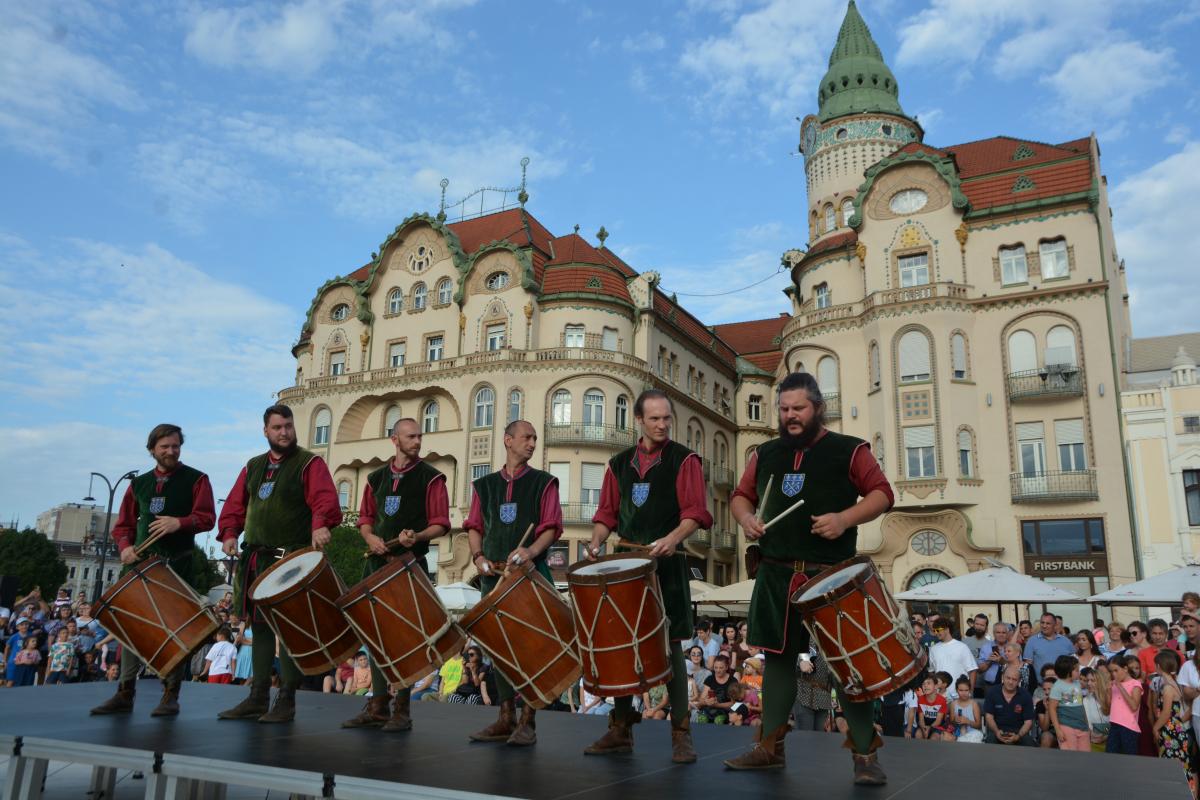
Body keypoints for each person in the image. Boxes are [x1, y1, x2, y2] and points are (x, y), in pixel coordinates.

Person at [724, 372, 893, 783]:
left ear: (817, 407)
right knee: (778, 661)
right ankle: (769, 748)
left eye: (797, 408)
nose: (789, 416)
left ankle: (866, 757)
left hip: (830, 576)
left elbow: (882, 493)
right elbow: (740, 497)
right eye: (783, 409)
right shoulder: (765, 453)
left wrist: (844, 518)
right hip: (776, 573)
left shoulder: (849, 450)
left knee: (846, 666)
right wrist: (747, 520)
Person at [584, 389, 712, 764]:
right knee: (624, 645)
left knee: (671, 646)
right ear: (639, 421)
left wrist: (672, 539)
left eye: (666, 418)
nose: (662, 425)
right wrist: (595, 543)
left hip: (665, 564)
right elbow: (606, 515)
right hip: (624, 561)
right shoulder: (618, 463)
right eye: (655, 418)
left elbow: (696, 511)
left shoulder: (683, 459)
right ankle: (621, 728)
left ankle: (681, 733)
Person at [216, 404, 342, 723]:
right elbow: (234, 505)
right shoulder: (253, 466)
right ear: (266, 431)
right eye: (277, 428)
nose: (284, 432)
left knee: (288, 630)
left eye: (288, 426)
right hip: (256, 557)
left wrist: (320, 524)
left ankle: (286, 699)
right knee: (258, 627)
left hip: (291, 559)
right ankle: (257, 696)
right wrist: (229, 533)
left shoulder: (309, 463)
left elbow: (324, 500)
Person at [88, 424, 217, 715]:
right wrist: (124, 547)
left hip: (176, 566)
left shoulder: (197, 479)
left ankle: (170, 694)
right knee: (131, 628)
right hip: (141, 565)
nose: (171, 451)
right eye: (165, 447)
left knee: (175, 630)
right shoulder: (138, 485)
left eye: (175, 446)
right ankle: (125, 692)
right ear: (152, 451)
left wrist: (179, 523)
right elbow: (123, 526)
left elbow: (207, 518)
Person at [341, 416, 450, 732]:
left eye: (419, 436)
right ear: (395, 440)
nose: (417, 441)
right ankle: (377, 705)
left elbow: (441, 523)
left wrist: (416, 536)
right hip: (376, 565)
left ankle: (401, 708)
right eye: (411, 436)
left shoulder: (432, 478)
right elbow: (365, 518)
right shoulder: (375, 478)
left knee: (406, 639)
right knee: (375, 636)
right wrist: (370, 538)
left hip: (409, 565)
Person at [465, 420, 563, 746]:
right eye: (527, 438)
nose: (532, 443)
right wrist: (477, 557)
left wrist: (531, 550)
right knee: (498, 649)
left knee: (530, 649)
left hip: (529, 575)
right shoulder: (484, 485)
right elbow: (474, 526)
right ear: (508, 440)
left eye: (535, 438)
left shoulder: (544, 482)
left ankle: (529, 721)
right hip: (493, 576)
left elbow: (551, 527)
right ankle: (505, 718)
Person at [1150, 649, 1196, 792]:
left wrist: (1155, 728)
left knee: (1172, 765)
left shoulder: (1168, 687)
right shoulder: (1173, 684)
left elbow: (1165, 713)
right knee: (1181, 765)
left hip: (1170, 730)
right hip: (1176, 727)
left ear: (1158, 665)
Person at [983, 665, 1036, 745]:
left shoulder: (1026, 695)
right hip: (997, 731)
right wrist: (997, 732)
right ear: (1002, 677)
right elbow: (989, 717)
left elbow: (1028, 722)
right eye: (1008, 678)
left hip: (1018, 732)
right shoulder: (992, 692)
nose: (1011, 682)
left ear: (1019, 681)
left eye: (1014, 679)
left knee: (1029, 742)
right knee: (990, 740)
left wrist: (1018, 736)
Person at [1048, 655, 1089, 751]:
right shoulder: (1057, 686)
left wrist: (1086, 725)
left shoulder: (1077, 684)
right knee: (1070, 756)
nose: (1079, 673)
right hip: (1066, 726)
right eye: (1076, 670)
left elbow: (1080, 705)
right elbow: (1052, 708)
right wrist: (1058, 730)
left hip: (1082, 726)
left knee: (1086, 756)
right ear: (1067, 672)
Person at [1106, 654, 1143, 754]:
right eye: (1111, 671)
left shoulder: (1135, 684)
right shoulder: (1114, 684)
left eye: (1116, 670)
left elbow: (1134, 706)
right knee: (1110, 755)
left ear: (1125, 669)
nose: (1113, 674)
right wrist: (1109, 690)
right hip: (1114, 724)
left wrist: (1120, 687)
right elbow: (1109, 706)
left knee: (1129, 757)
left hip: (1128, 727)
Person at [928, 620, 977, 692]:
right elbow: (931, 672)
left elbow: (972, 670)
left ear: (947, 629)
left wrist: (970, 691)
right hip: (940, 695)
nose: (936, 633)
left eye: (938, 630)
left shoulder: (962, 647)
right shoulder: (933, 649)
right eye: (934, 631)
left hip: (959, 694)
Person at [1023, 612, 1074, 677]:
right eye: (1042, 623)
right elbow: (1028, 666)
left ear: (1054, 625)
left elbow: (1073, 664)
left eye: (1048, 623)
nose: (1044, 626)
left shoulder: (1066, 641)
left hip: (1062, 685)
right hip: (1040, 685)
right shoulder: (1032, 641)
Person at [977, 621, 1011, 691]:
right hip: (990, 686)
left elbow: (1018, 667)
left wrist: (1002, 660)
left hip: (1009, 685)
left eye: (1003, 633)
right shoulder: (986, 647)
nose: (1001, 635)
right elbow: (980, 670)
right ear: (994, 634)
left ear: (1007, 634)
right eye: (998, 632)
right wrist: (989, 661)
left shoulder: (1013, 647)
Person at [948, 676, 983, 742]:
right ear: (956, 690)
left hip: (973, 733)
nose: (964, 693)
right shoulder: (953, 704)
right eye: (961, 690)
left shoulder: (974, 704)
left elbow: (979, 725)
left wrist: (967, 721)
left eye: (966, 690)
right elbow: (951, 723)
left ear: (970, 690)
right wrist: (955, 721)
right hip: (958, 733)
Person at [913, 675, 947, 740]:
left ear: (936, 686)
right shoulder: (920, 699)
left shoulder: (942, 700)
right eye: (923, 684)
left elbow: (938, 721)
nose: (925, 686)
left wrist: (929, 728)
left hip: (936, 726)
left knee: (934, 738)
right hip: (924, 724)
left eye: (928, 683)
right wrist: (924, 729)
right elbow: (921, 719)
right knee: (918, 734)